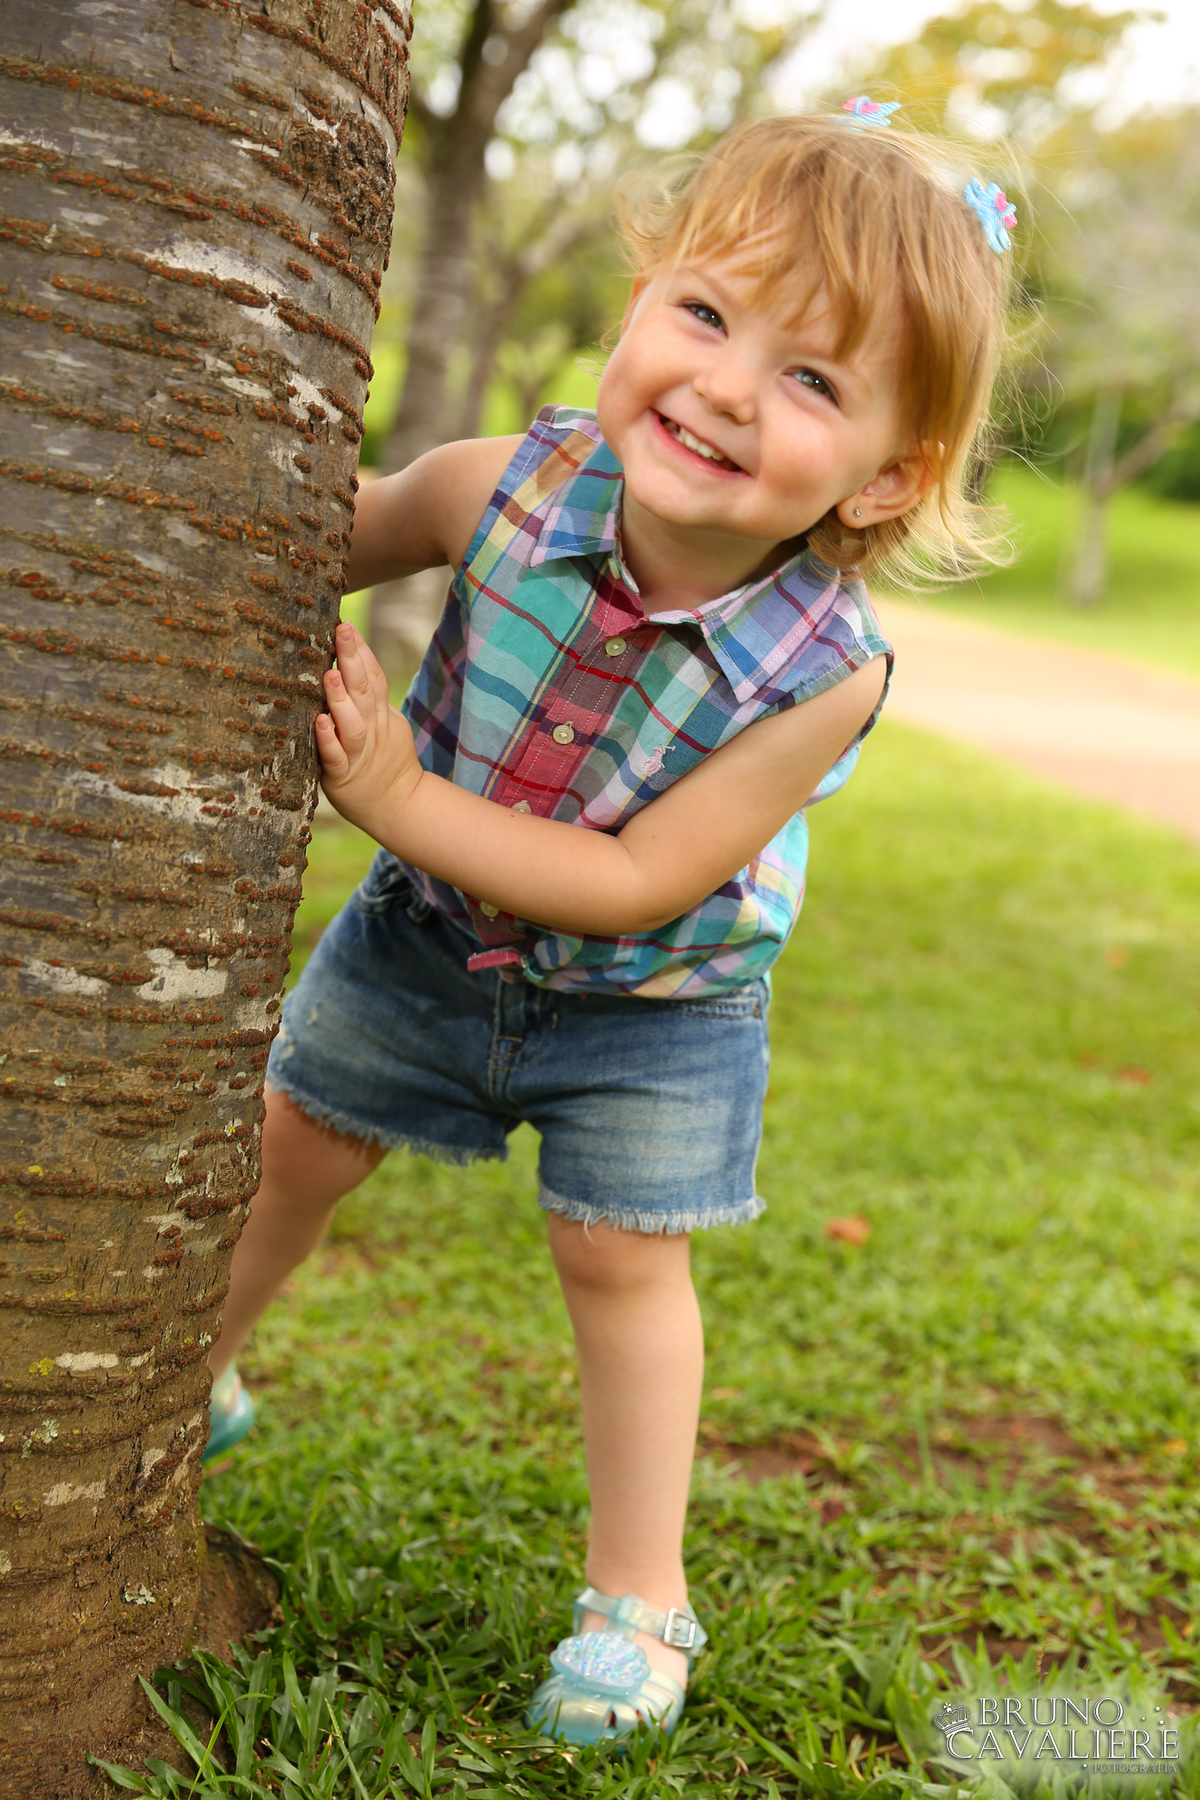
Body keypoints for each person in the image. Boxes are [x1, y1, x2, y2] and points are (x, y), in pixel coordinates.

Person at [205, 103, 1017, 1743]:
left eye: (814, 379)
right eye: (708, 314)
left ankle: (639, 1601)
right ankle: (181, 1383)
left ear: (891, 476)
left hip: (659, 1005)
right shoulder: (506, 484)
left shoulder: (822, 668)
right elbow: (294, 553)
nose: (727, 384)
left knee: (621, 1264)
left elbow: (648, 876)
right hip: (432, 937)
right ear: (638, 302)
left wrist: (392, 792)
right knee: (293, 1142)